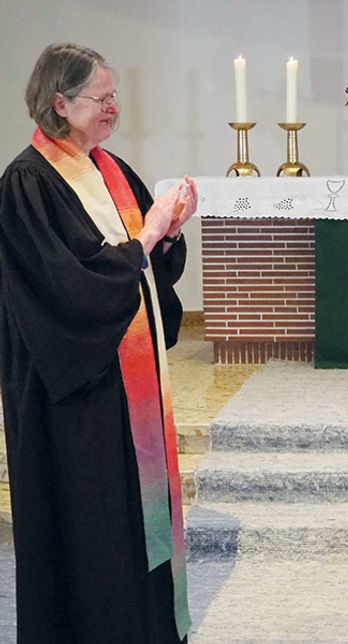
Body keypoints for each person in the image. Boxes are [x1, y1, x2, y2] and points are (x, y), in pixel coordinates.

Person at [0, 43, 197, 642]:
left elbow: (138, 268)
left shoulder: (112, 170)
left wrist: (164, 240)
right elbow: (67, 287)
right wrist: (147, 238)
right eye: (101, 98)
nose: (114, 107)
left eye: (115, 96)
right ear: (60, 102)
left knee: (135, 516)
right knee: (90, 520)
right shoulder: (27, 183)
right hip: (73, 389)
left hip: (124, 381)